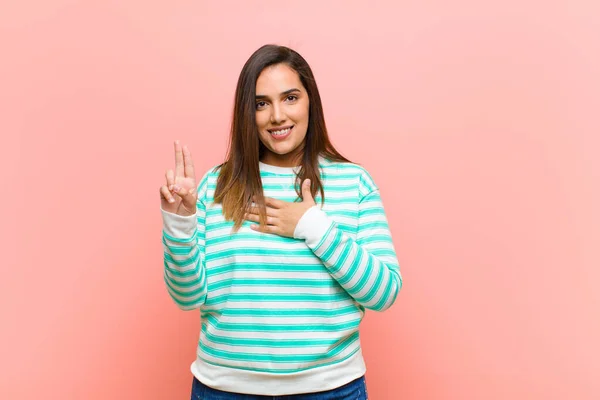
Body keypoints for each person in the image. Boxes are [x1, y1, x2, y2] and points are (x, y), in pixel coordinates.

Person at [159, 44, 402, 399]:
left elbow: (385, 293)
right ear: (247, 112)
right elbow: (187, 296)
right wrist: (179, 223)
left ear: (310, 103)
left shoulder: (353, 182)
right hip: (225, 389)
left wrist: (313, 226)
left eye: (290, 98)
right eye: (261, 103)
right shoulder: (217, 185)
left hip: (330, 389)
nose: (277, 116)